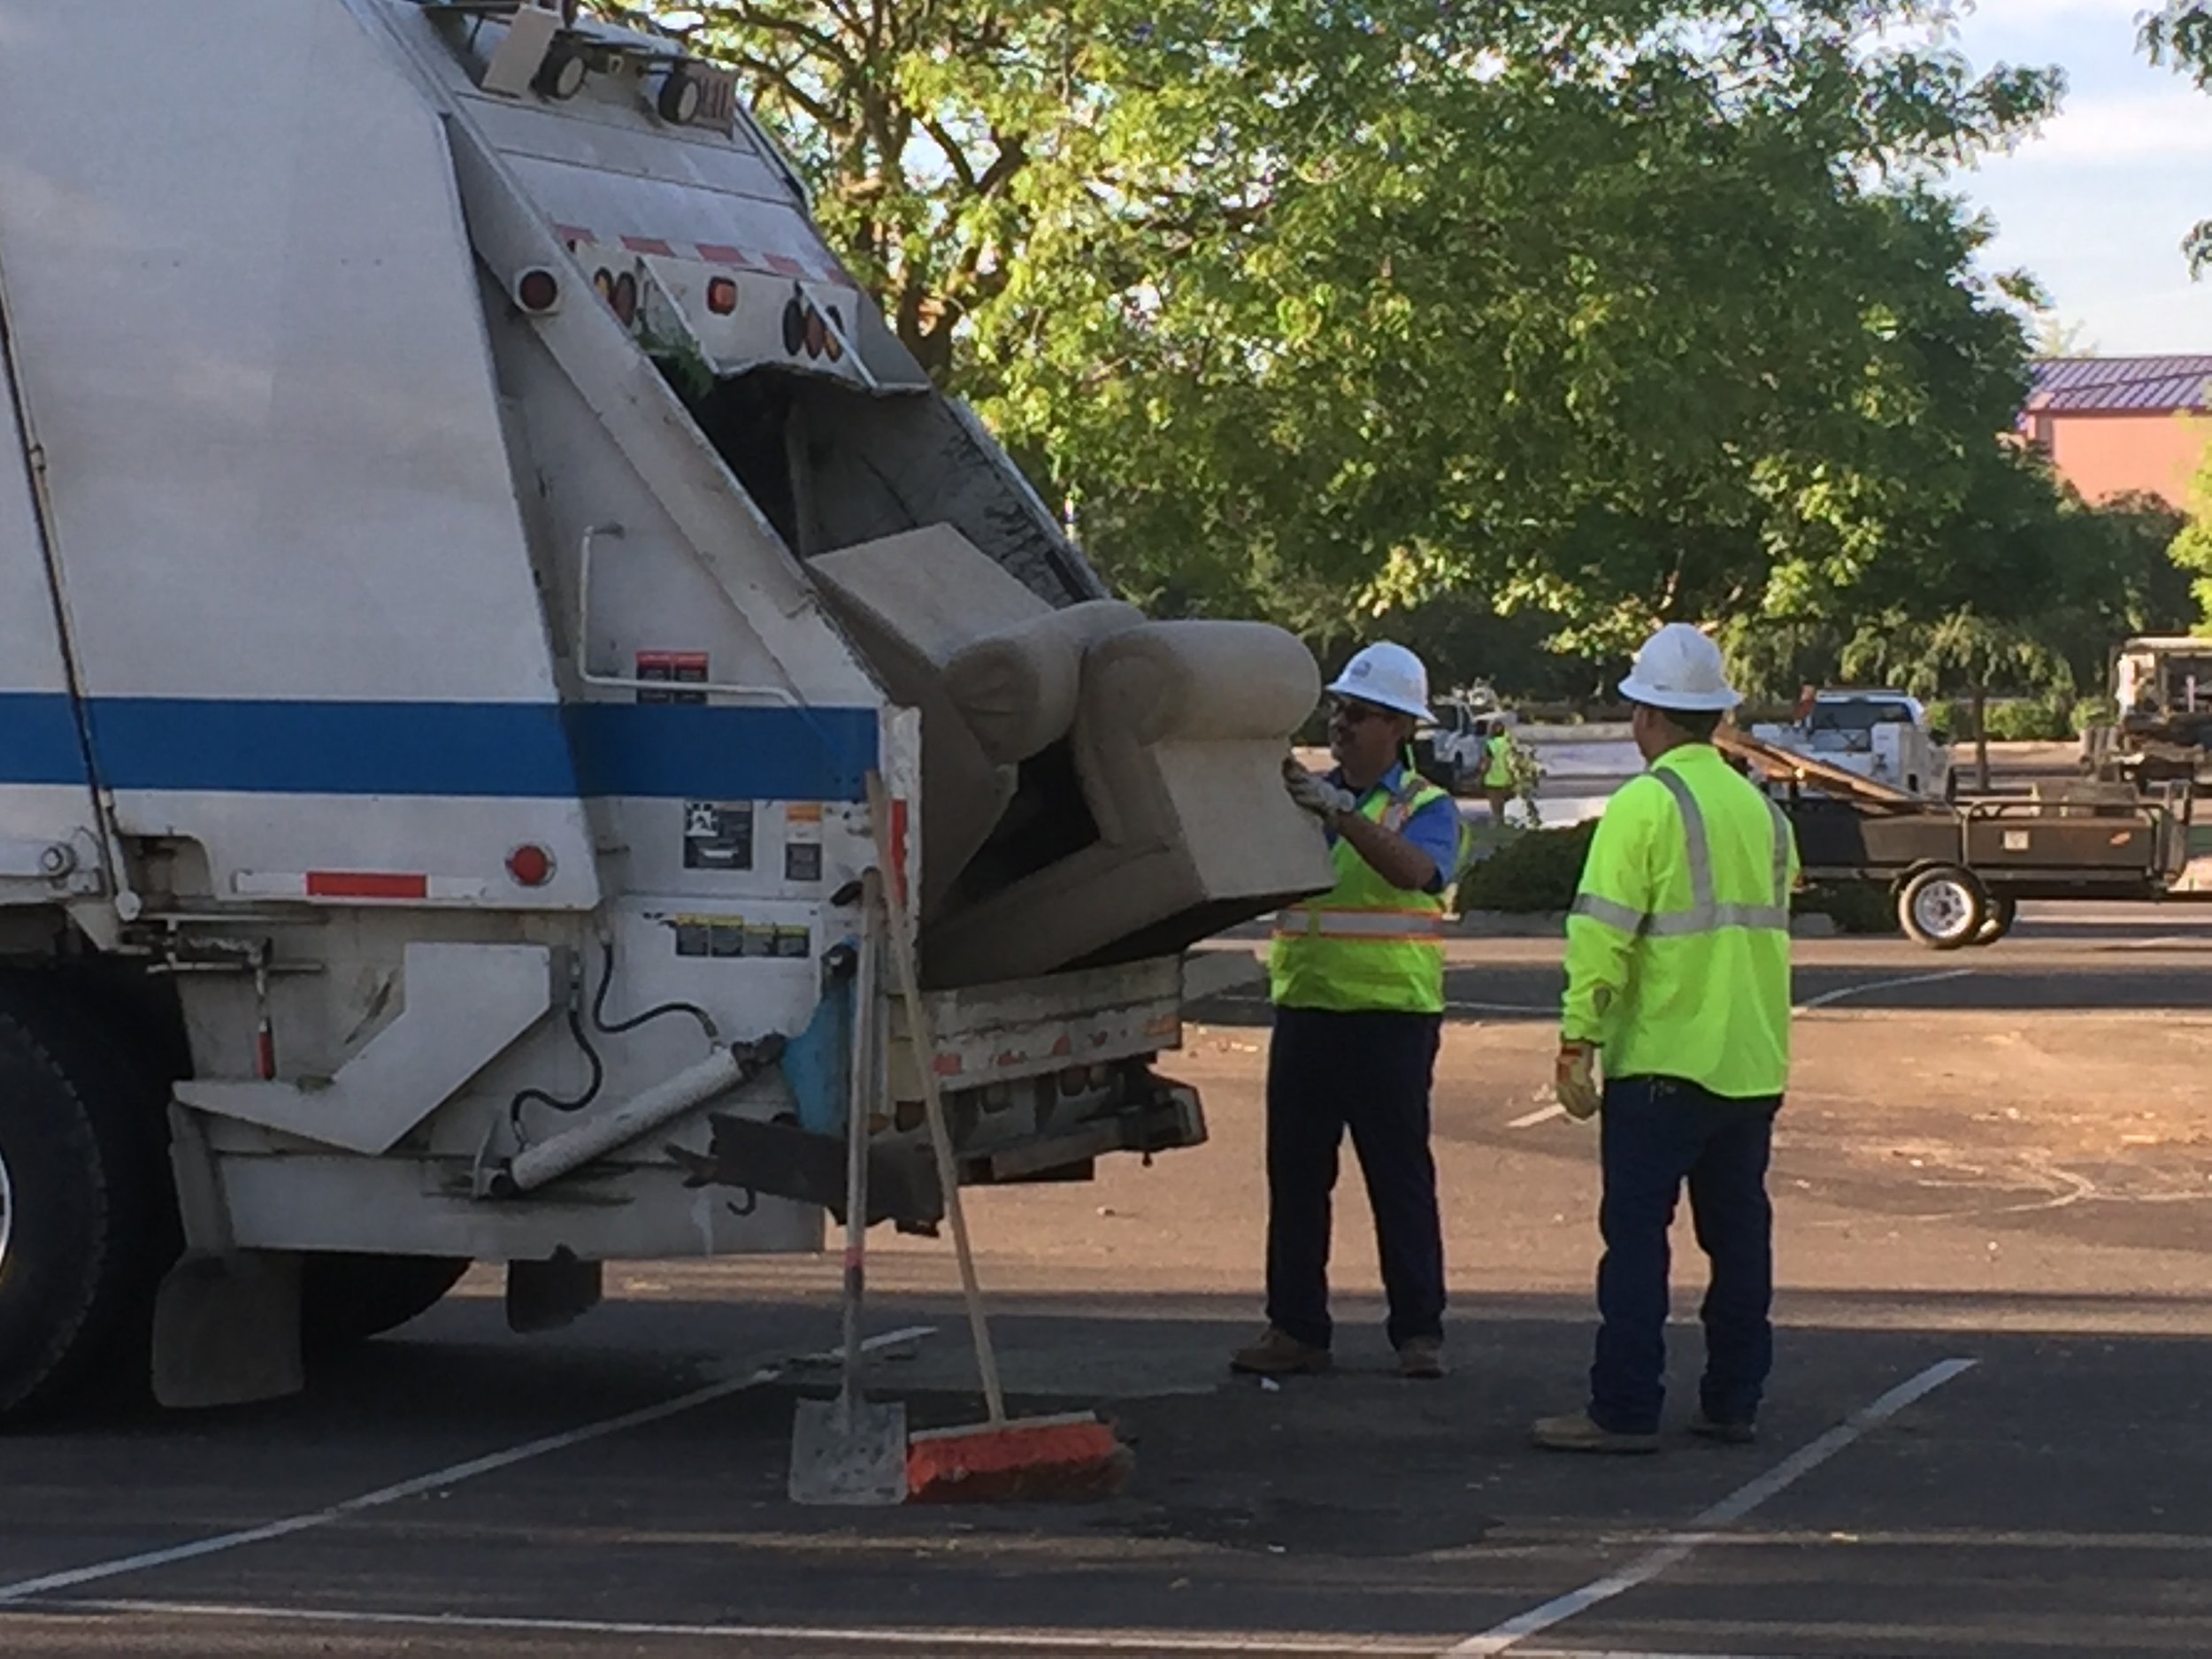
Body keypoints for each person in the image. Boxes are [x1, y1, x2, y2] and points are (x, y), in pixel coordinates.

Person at [1534, 623, 1797, 1453]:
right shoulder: (1760, 809)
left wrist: (1579, 1038)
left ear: (1647, 714)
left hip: (1660, 1064)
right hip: (1750, 1062)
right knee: (1739, 1243)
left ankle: (1623, 1407)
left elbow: (1602, 937)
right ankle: (1733, 1399)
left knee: (1638, 1246)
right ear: (1713, 714)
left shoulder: (1645, 804)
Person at [1233, 641, 1469, 1381]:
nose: (1341, 723)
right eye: (1336, 709)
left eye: (1358, 713)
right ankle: (1296, 1327)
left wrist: (1342, 814)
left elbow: (1419, 871)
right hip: (1307, 1008)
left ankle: (1419, 1331)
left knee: (1398, 1178)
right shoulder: (1306, 800)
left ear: (1400, 726)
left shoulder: (1426, 808)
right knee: (1297, 1179)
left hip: (1391, 1016)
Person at [1479, 721, 1517, 823]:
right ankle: (1503, 821)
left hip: (1492, 779)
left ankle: (1496, 822)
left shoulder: (1491, 744)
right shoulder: (1509, 744)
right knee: (1503, 803)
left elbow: (1487, 762)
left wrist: (1482, 775)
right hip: (1507, 778)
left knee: (1495, 805)